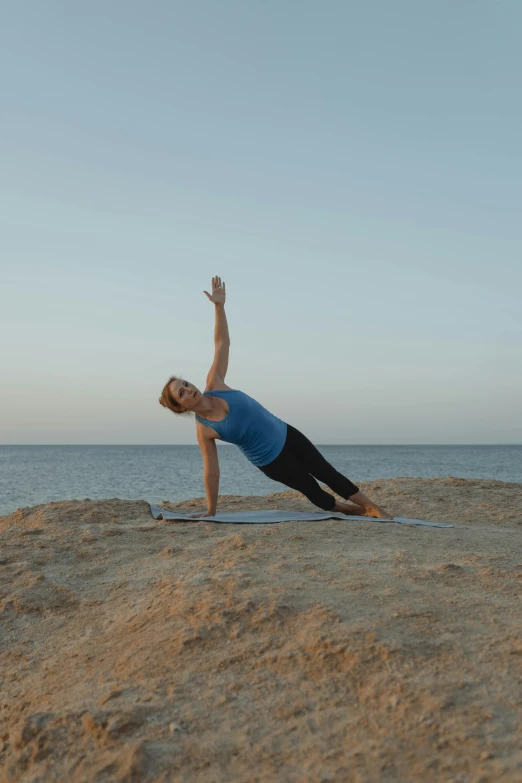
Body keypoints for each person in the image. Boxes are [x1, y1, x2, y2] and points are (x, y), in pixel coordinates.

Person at [159, 276, 392, 520]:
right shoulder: (204, 430)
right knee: (312, 491)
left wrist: (219, 307)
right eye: (181, 393)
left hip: (287, 434)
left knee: (326, 472)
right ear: (179, 407)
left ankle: (372, 507)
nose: (188, 389)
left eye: (185, 384)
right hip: (271, 461)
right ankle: (344, 509)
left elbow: (221, 343)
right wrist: (211, 511)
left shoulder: (215, 383)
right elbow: (211, 472)